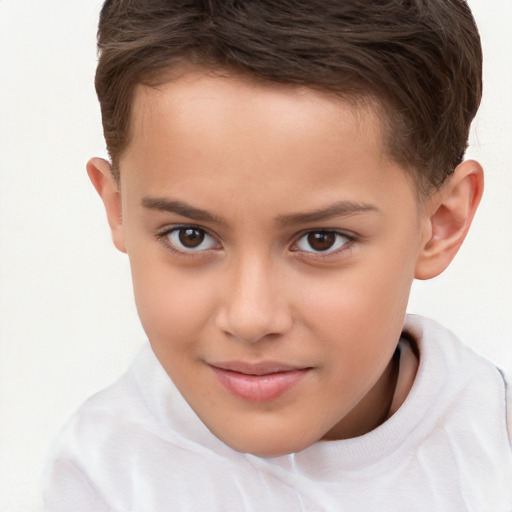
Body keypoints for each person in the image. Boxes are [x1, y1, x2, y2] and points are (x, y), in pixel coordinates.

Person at [43, 0, 512, 510]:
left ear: (441, 224)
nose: (250, 318)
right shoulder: (102, 476)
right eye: (190, 235)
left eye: (321, 240)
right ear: (118, 210)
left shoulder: (495, 451)